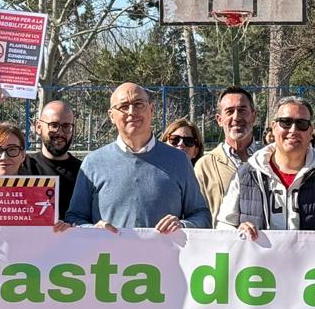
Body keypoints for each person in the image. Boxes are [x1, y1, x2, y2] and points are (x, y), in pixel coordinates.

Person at [66, 83, 210, 232]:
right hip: (109, 255)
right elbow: (74, 217)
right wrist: (93, 229)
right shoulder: (93, 163)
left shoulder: (179, 160)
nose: (131, 112)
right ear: (111, 116)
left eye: (138, 104)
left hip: (163, 255)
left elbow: (202, 216)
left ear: (151, 109)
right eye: (123, 106)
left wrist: (182, 225)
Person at [218, 98, 315, 236]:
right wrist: (238, 231)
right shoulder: (246, 174)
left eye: (301, 123)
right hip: (258, 258)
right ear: (274, 127)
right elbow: (224, 226)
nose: (293, 130)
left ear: (310, 131)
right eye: (286, 122)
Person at [0, 91, 81, 205]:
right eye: (53, 125)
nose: (60, 132)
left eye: (66, 126)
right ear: (38, 127)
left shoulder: (85, 172)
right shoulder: (21, 165)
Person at [193, 87, 260, 214]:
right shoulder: (205, 166)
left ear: (253, 116)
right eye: (229, 111)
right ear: (219, 120)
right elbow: (197, 214)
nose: (236, 117)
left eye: (242, 110)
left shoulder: (270, 159)